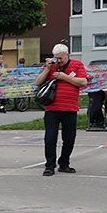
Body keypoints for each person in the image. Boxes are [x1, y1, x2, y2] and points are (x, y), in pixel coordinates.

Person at [34, 43, 88, 177]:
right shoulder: (52, 66)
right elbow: (38, 82)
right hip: (52, 109)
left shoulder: (77, 64)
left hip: (70, 108)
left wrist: (66, 77)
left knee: (69, 139)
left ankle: (64, 163)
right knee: (50, 138)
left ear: (67, 55)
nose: (58, 60)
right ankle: (49, 165)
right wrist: (47, 69)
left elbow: (83, 82)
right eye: (56, 58)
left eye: (61, 58)